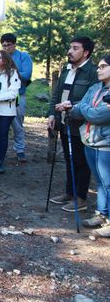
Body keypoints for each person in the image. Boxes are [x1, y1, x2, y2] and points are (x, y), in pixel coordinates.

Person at [48, 37, 98, 212]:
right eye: (70, 48)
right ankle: (69, 193)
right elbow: (57, 94)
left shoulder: (92, 71)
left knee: (81, 162)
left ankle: (81, 199)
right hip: (64, 122)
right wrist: (52, 114)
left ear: (86, 52)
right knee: (69, 159)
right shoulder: (67, 69)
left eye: (75, 48)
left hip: (81, 125)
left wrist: (71, 106)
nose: (70, 51)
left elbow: (92, 98)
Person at [69, 54, 110, 237]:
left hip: (106, 144)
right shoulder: (95, 88)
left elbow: (98, 115)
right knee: (100, 183)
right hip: (90, 141)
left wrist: (83, 110)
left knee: (108, 183)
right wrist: (84, 110)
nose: (99, 70)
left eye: (103, 67)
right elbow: (80, 107)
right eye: (99, 67)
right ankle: (102, 214)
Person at [0, 33, 33, 162]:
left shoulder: (23, 56)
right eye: (3, 45)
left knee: (17, 124)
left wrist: (8, 72)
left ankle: (20, 149)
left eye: (9, 45)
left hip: (17, 95)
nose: (6, 48)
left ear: (14, 44)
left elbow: (26, 75)